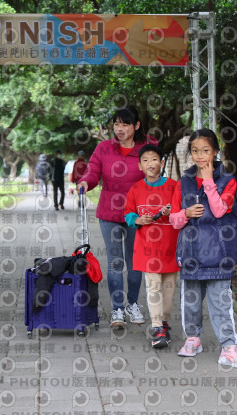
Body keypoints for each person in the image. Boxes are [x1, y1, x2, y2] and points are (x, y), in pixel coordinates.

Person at [169, 128, 237, 368]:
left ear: (215, 151)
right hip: (191, 253)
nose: (200, 155)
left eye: (205, 150)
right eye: (195, 151)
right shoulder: (183, 182)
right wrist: (186, 213)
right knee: (191, 301)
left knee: (220, 302)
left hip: (219, 254)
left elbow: (219, 211)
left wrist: (208, 182)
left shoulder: (228, 181)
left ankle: (228, 348)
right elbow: (174, 221)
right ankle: (193, 339)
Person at [77, 106, 157, 328]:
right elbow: (93, 172)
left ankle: (133, 304)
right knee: (115, 262)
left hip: (137, 215)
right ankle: (117, 309)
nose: (120, 129)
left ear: (136, 126)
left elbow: (154, 170)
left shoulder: (146, 148)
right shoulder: (104, 148)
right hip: (109, 214)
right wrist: (85, 182)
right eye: (116, 124)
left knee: (134, 262)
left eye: (125, 124)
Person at [124, 144, 179, 348]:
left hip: (171, 247)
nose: (150, 163)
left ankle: (164, 322)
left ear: (162, 163)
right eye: (145, 160)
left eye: (154, 159)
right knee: (153, 286)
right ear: (140, 166)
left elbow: (182, 212)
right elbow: (128, 213)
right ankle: (157, 327)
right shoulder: (136, 189)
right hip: (147, 248)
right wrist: (137, 220)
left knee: (169, 288)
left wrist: (172, 211)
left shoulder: (174, 186)